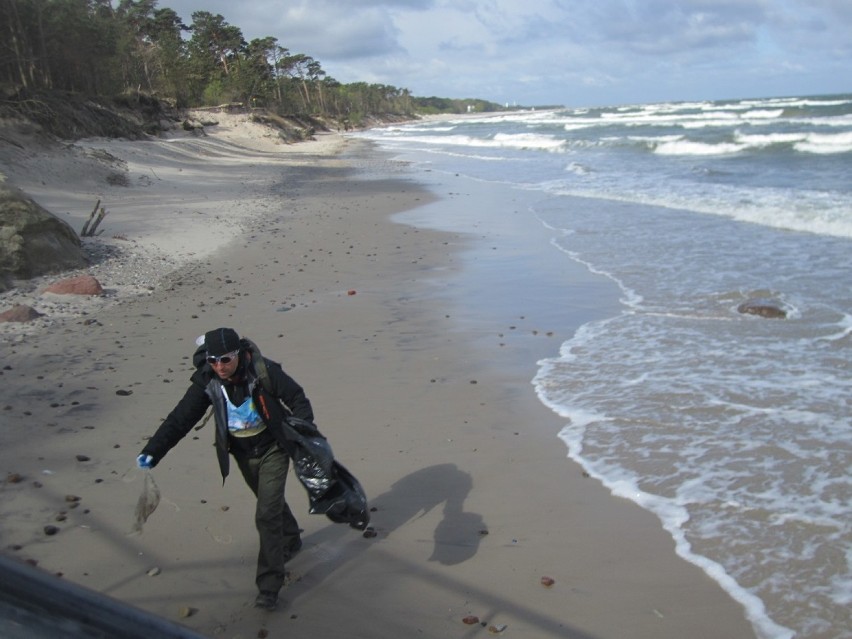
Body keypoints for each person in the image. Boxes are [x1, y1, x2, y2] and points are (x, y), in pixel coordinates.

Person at [136, 327, 314, 611]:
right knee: (269, 501)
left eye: (225, 360)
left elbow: (297, 399)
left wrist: (304, 435)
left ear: (240, 355)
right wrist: (152, 451)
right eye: (213, 360)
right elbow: (180, 420)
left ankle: (269, 587)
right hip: (241, 453)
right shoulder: (207, 382)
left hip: (274, 449)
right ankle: (291, 538)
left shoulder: (264, 371)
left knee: (266, 515)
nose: (219, 366)